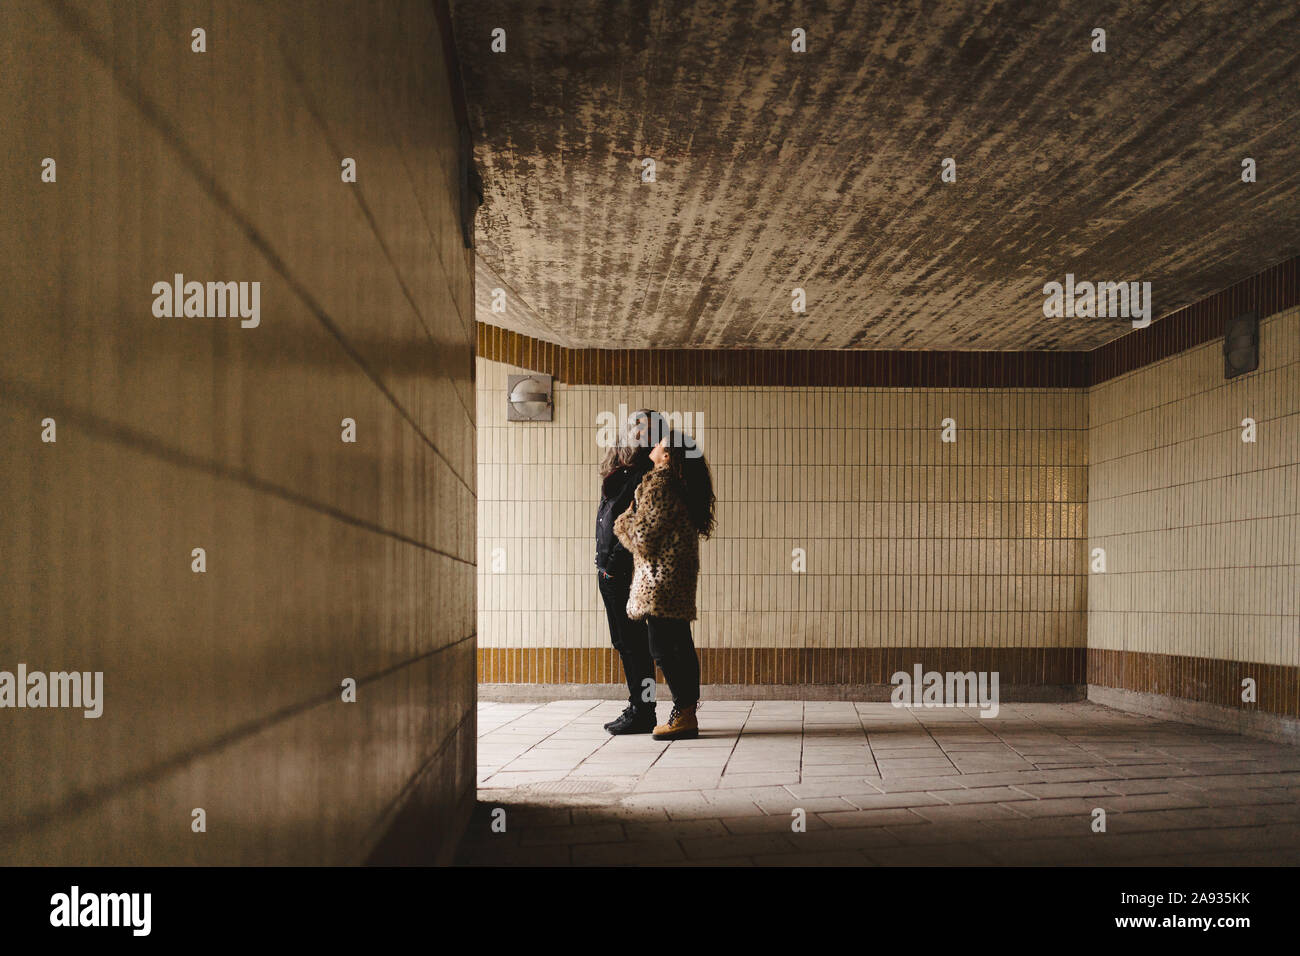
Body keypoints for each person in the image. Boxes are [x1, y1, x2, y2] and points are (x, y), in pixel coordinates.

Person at [613, 429, 715, 741]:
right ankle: (686, 713)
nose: (654, 445)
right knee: (679, 645)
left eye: (660, 443)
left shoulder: (660, 485)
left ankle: (683, 715)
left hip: (659, 582)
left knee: (664, 649)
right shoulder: (680, 485)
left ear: (667, 455)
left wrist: (625, 520)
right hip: (675, 580)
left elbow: (643, 539)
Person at [596, 409, 664, 735]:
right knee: (625, 642)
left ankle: (644, 709)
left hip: (625, 572)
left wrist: (613, 567)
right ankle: (640, 705)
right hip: (609, 570)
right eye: (637, 428)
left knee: (635, 644)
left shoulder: (646, 473)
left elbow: (637, 528)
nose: (641, 434)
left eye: (649, 430)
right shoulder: (621, 469)